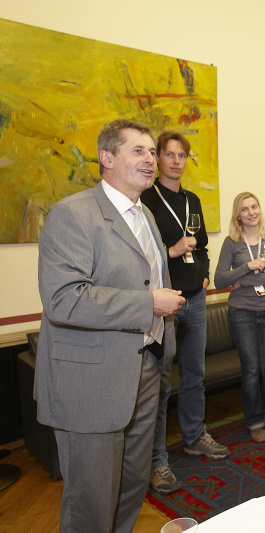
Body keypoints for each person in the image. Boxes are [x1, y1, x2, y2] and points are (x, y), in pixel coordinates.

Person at [35, 119, 184, 532]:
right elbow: (64, 299)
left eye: (153, 151)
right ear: (107, 158)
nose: (151, 159)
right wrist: (148, 303)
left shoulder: (147, 217)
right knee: (92, 503)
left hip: (146, 369)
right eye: (138, 150)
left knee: (132, 486)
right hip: (91, 384)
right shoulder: (74, 214)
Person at [141, 131, 229, 495]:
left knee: (195, 374)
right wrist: (172, 251)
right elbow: (143, 253)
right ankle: (157, 460)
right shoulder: (146, 200)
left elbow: (204, 244)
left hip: (194, 299)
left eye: (182, 156)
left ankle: (194, 436)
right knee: (160, 383)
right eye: (169, 154)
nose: (176, 161)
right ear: (159, 158)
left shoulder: (192, 199)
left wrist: (204, 270)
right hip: (162, 304)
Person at [214, 192, 265, 442]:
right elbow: (220, 279)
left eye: (254, 206)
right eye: (244, 209)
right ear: (238, 215)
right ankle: (255, 420)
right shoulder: (231, 242)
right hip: (241, 313)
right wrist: (247, 266)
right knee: (252, 369)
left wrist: (241, 280)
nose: (251, 212)